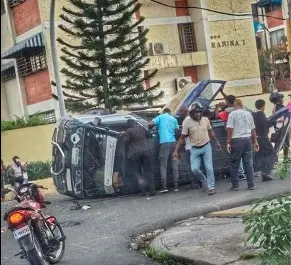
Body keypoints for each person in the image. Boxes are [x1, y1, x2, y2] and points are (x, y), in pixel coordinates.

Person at [173, 104, 221, 195]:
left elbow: (211, 131)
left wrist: (217, 142)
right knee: (194, 169)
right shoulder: (187, 122)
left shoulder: (205, 120)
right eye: (195, 113)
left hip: (206, 146)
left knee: (209, 168)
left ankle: (211, 187)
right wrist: (176, 151)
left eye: (199, 112)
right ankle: (204, 181)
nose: (198, 114)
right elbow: (182, 137)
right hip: (194, 148)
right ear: (191, 114)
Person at [226, 99, 259, 191]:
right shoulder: (248, 114)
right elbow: (253, 130)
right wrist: (255, 142)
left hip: (236, 140)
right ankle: (251, 184)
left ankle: (235, 185)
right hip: (247, 140)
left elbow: (230, 129)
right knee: (248, 163)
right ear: (242, 105)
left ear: (234, 105)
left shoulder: (232, 114)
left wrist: (228, 141)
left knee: (235, 164)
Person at [148, 108, 179, 193]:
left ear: (163, 112)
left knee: (163, 166)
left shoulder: (160, 117)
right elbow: (177, 131)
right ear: (170, 112)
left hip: (164, 143)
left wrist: (150, 127)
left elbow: (150, 124)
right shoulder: (174, 119)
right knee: (175, 165)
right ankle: (176, 186)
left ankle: (164, 187)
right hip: (174, 143)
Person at [122, 119, 155, 196]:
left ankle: (143, 192)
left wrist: (123, 135)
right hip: (146, 152)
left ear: (129, 125)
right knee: (149, 172)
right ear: (135, 123)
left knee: (138, 173)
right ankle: (152, 190)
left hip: (135, 154)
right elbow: (150, 136)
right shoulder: (142, 128)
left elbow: (125, 142)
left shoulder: (129, 131)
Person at [252, 100, 275, 181]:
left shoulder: (253, 114)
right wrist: (274, 122)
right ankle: (266, 171)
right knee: (271, 152)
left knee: (261, 155)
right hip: (262, 137)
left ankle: (261, 171)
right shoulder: (260, 114)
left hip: (256, 138)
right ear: (263, 106)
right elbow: (265, 125)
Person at [270, 92, 290, 159]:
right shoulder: (280, 107)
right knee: (283, 144)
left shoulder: (275, 107)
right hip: (282, 128)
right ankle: (284, 159)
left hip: (279, 127)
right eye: (282, 98)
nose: (283, 100)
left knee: (281, 144)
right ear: (279, 100)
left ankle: (277, 159)